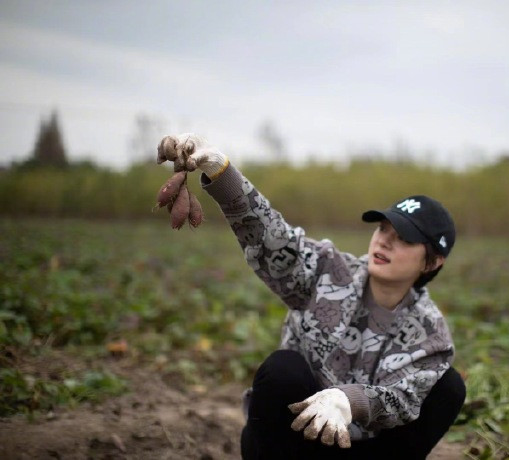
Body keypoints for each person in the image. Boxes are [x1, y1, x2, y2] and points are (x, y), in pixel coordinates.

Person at [157, 134, 466, 459]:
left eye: (403, 238)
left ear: (433, 261)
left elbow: (403, 399)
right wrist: (223, 174)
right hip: (289, 440)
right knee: (282, 369)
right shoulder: (329, 270)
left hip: (359, 447)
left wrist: (349, 400)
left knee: (448, 388)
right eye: (383, 229)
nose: (384, 242)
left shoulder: (431, 335)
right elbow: (272, 239)